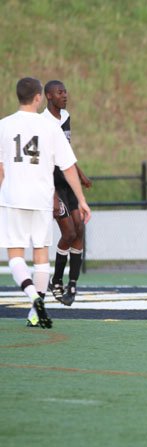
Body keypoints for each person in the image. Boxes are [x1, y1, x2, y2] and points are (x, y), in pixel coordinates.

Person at [0, 77, 91, 329]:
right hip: (41, 198)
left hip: (12, 198)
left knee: (16, 256)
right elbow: (69, 166)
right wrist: (81, 200)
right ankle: (36, 310)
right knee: (41, 256)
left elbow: (0, 169)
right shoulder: (49, 127)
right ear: (39, 97)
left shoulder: (3, 126)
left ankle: (32, 299)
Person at [42, 80, 92, 306]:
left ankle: (72, 284)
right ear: (48, 97)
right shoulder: (43, 123)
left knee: (80, 227)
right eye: (59, 92)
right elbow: (44, 160)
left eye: (65, 91)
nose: (65, 95)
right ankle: (55, 280)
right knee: (69, 232)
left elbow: (66, 150)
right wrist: (51, 194)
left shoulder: (65, 116)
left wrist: (78, 172)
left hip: (67, 181)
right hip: (52, 184)